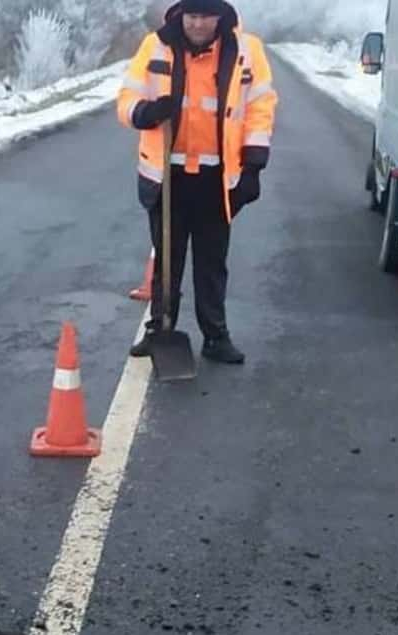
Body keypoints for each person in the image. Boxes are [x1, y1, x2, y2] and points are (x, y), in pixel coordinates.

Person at [117, 0, 277, 364]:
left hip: (216, 178)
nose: (199, 24)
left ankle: (216, 336)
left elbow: (260, 106)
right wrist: (145, 112)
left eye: (206, 16)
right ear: (180, 15)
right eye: (192, 16)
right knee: (166, 260)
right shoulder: (156, 45)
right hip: (167, 176)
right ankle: (160, 329)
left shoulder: (246, 51)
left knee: (211, 262)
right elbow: (127, 97)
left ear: (220, 16)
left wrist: (254, 164)